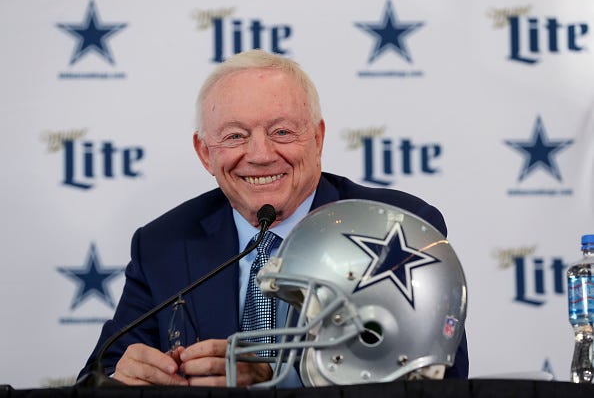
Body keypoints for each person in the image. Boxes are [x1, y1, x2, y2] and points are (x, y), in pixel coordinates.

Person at [79, 49, 469, 387]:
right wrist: (122, 380)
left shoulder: (395, 226)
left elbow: (434, 380)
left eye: (282, 131)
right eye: (235, 136)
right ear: (204, 153)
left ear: (317, 139)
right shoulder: (163, 244)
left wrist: (276, 378)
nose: (261, 154)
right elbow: (96, 376)